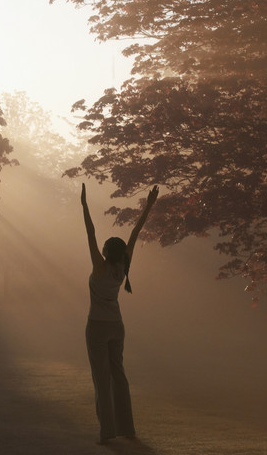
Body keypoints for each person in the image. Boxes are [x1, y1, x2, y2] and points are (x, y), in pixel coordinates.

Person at [80, 182, 158, 444]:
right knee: (119, 375)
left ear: (104, 251)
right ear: (120, 252)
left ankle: (107, 432)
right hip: (117, 326)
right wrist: (149, 204)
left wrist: (84, 205)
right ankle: (127, 428)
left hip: (97, 327)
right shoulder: (123, 267)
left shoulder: (99, 268)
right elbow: (135, 232)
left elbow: (90, 233)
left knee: (102, 378)